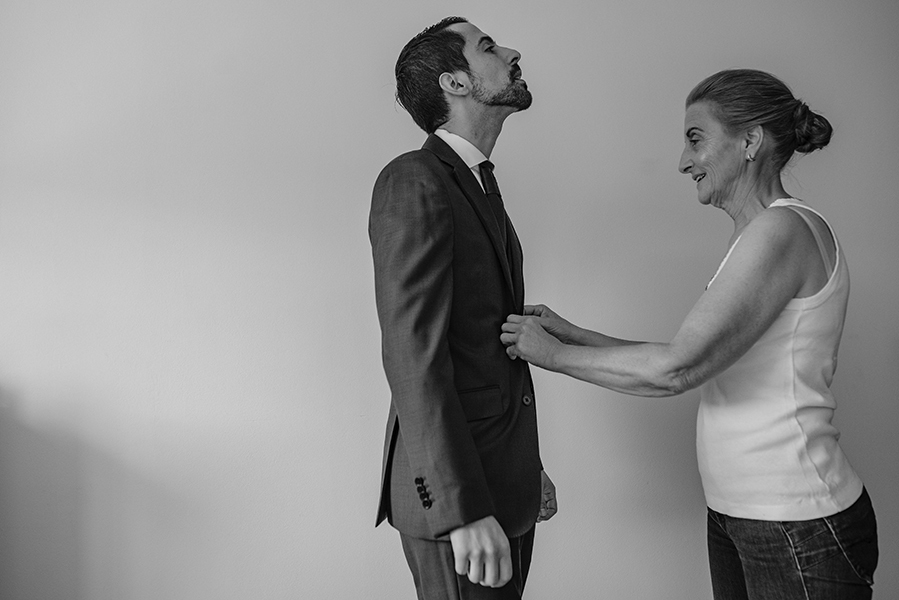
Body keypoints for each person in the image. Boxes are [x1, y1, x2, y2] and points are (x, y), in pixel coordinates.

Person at [501, 69, 878, 599]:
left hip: (795, 521)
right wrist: (573, 335)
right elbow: (693, 359)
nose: (683, 161)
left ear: (750, 141)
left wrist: (554, 355)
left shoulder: (781, 230)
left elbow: (677, 369)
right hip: (743, 513)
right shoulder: (758, 234)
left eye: (695, 139)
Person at [369, 17, 556, 599]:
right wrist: (460, 508)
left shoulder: (476, 183)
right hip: (461, 506)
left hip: (501, 484)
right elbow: (412, 356)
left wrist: (526, 466)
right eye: (489, 47)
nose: (512, 52)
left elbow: (479, 348)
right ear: (454, 82)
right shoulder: (414, 178)